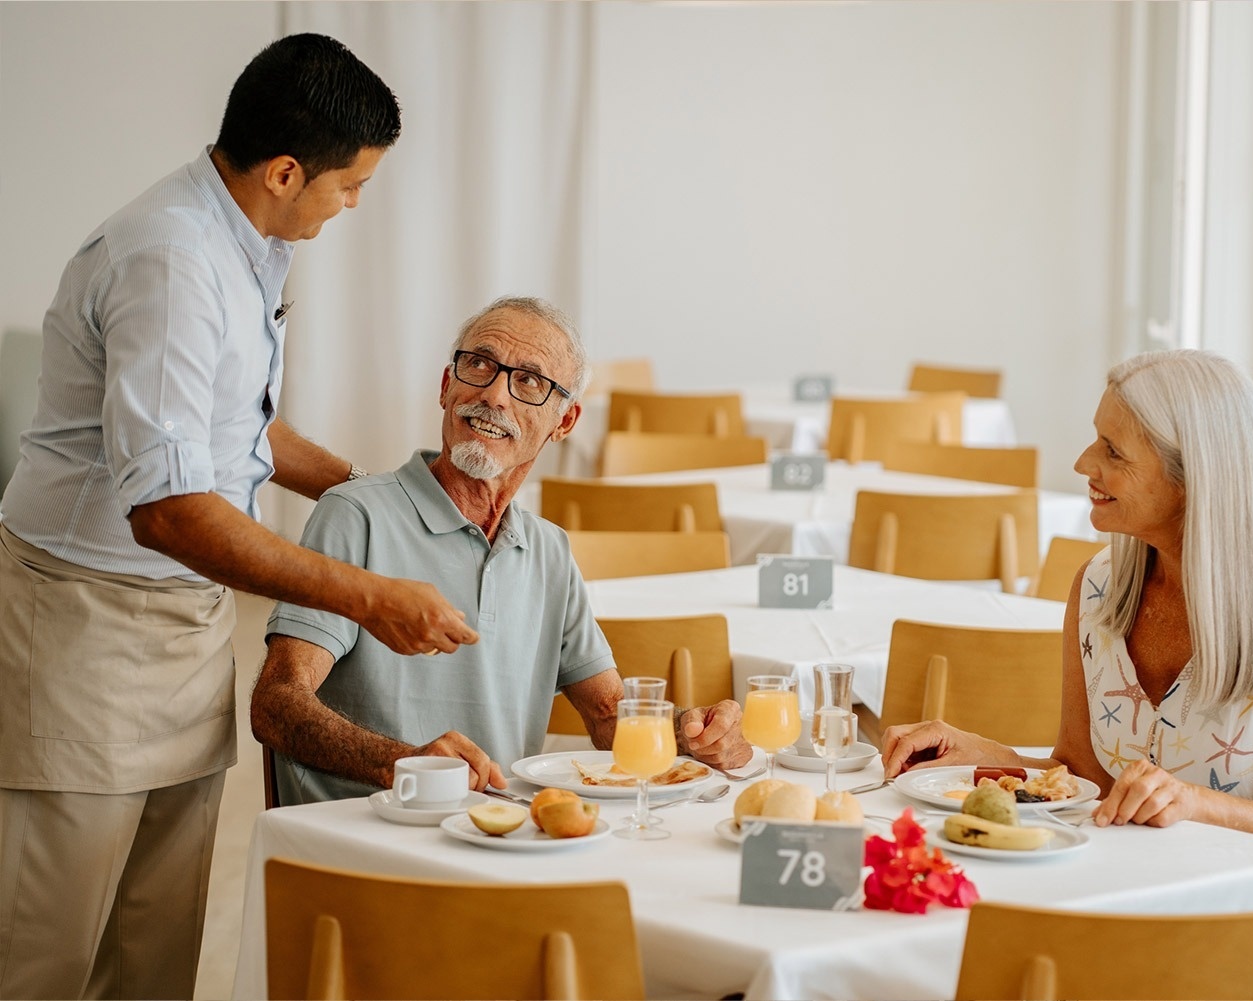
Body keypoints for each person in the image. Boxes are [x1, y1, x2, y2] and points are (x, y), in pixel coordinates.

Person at [0, 34, 482, 1000]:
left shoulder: (241, 241)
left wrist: (376, 494)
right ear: (285, 170)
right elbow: (173, 510)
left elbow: (237, 431)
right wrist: (365, 590)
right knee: (46, 952)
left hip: (181, 629)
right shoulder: (172, 262)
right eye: (350, 187)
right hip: (88, 624)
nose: (352, 206)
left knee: (156, 947)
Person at [881, 349, 1253, 998]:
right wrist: (988, 757)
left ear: (1193, 477)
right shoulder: (1099, 587)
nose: (1082, 465)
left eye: (1112, 451)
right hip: (1144, 902)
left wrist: (1193, 803)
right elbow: (1087, 777)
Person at [249, 296, 752, 805]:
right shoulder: (355, 515)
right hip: (369, 838)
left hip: (502, 836)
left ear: (565, 422)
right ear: (447, 387)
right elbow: (277, 704)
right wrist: (404, 763)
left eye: (530, 381)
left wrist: (690, 734)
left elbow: (606, 716)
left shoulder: (549, 549)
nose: (495, 395)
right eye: (479, 365)